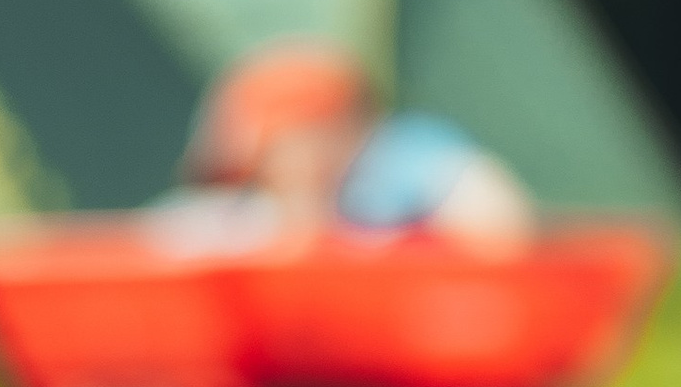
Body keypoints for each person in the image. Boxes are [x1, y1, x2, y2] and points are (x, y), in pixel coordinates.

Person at [186, 39, 535, 243]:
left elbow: (498, 216)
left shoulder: (402, 158)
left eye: (269, 157)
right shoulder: (301, 199)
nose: (269, 177)